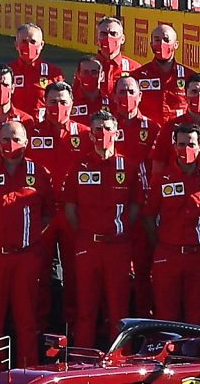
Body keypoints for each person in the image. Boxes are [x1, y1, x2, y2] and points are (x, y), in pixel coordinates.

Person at [60, 110, 142, 353]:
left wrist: (118, 229)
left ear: (116, 133)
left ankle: (120, 361)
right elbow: (70, 209)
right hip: (88, 245)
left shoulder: (128, 166)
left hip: (118, 246)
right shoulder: (79, 166)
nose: (102, 133)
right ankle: (82, 362)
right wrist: (89, 232)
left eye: (107, 128)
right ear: (90, 134)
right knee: (85, 307)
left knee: (118, 308)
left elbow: (136, 206)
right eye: (97, 128)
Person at [0, 116, 53, 353]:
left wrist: (27, 238)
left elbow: (47, 214)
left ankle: (27, 374)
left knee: (27, 320)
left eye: (16, 139)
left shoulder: (38, 172)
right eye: (5, 139)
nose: (10, 143)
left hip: (26, 256)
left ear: (26, 142)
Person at [142, 119, 200, 324]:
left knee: (198, 314)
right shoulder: (161, 178)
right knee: (167, 315)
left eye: (191, 144)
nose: (186, 148)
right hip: (168, 255)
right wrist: (160, 243)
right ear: (174, 146)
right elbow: (148, 217)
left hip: (199, 255)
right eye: (182, 144)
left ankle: (195, 355)